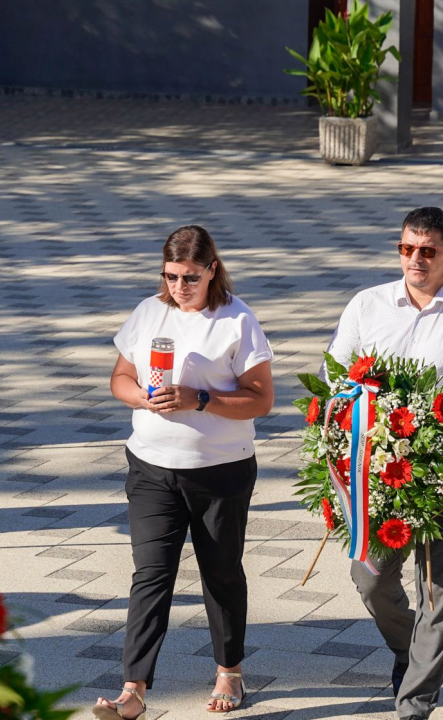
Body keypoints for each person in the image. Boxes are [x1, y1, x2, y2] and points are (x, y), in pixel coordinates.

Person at [327, 207, 443, 720]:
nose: (415, 259)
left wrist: (434, 398)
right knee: (369, 578)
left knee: (438, 588)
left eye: (427, 251)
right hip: (378, 465)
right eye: (407, 249)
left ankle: (415, 703)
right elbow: (335, 371)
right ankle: (411, 651)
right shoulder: (368, 304)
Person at [96, 225, 274, 720]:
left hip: (220, 470)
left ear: (212, 269)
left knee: (219, 573)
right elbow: (120, 378)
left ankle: (230, 671)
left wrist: (200, 399)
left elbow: (261, 399)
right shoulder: (150, 311)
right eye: (171, 276)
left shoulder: (236, 319)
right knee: (151, 576)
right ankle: (133, 689)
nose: (180, 287)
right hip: (152, 466)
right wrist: (142, 398)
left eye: (190, 277)